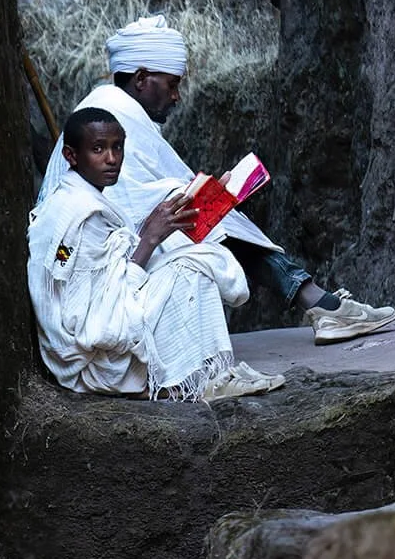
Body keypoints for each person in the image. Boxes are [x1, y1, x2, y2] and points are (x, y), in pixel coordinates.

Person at [34, 14, 395, 345]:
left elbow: (144, 198)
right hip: (96, 298)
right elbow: (130, 209)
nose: (177, 95)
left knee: (211, 214)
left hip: (119, 272)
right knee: (208, 222)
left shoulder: (116, 111)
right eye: (172, 84)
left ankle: (316, 300)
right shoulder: (112, 114)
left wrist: (209, 196)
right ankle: (318, 303)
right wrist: (199, 200)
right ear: (142, 79)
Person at [29, 104, 284, 400]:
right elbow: (94, 319)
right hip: (90, 362)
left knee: (180, 246)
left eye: (117, 148)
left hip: (97, 339)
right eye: (98, 149)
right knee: (192, 268)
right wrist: (149, 237)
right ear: (71, 156)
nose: (111, 159)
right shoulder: (76, 215)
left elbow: (106, 271)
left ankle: (204, 374)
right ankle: (203, 381)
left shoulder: (80, 199)